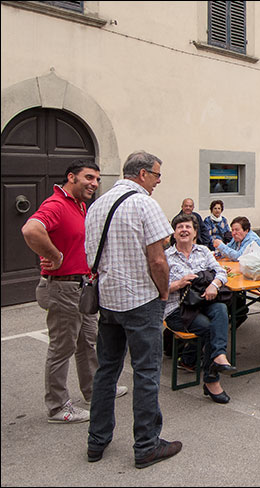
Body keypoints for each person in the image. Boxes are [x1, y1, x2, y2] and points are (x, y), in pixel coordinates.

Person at [84, 150, 181, 468]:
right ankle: (146, 445)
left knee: (106, 371)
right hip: (140, 300)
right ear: (142, 174)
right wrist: (164, 292)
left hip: (109, 300)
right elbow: (158, 259)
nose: (157, 182)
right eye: (156, 175)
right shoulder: (144, 203)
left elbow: (90, 257)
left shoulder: (98, 204)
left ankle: (96, 442)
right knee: (146, 372)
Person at [21, 160, 128, 424]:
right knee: (62, 347)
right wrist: (53, 255)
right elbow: (31, 229)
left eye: (97, 179)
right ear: (71, 177)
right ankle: (58, 407)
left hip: (82, 286)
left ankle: (93, 391)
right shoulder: (56, 204)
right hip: (63, 286)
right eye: (88, 177)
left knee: (87, 342)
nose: (94, 183)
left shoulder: (79, 205)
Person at [163, 214, 235, 403]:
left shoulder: (203, 251)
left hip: (203, 303)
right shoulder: (166, 256)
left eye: (188, 226)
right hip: (177, 309)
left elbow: (221, 271)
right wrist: (178, 284)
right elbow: (156, 288)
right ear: (175, 233)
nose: (184, 230)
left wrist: (215, 285)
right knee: (209, 327)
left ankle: (219, 354)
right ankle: (212, 380)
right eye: (180, 227)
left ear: (195, 232)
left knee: (220, 309)